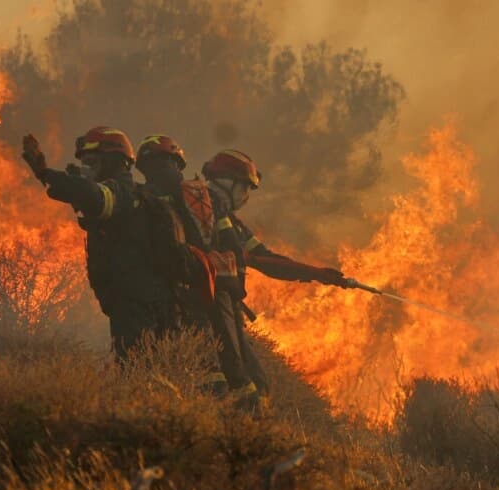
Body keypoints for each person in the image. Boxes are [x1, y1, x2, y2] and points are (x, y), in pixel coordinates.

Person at [201, 149, 361, 399]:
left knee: (257, 384)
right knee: (240, 390)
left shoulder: (231, 223)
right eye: (244, 189)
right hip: (210, 312)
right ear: (227, 182)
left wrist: (318, 274)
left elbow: (268, 259)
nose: (245, 197)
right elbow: (254, 259)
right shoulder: (209, 214)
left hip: (227, 310)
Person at [21, 127, 181, 360]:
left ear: (114, 161)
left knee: (135, 370)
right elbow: (89, 198)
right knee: (154, 370)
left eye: (92, 162)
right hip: (144, 299)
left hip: (137, 303)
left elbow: (95, 197)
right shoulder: (132, 194)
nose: (87, 169)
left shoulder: (121, 193)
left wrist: (47, 174)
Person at [134, 135, 256, 401]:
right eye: (245, 188)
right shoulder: (203, 196)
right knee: (234, 368)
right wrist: (236, 288)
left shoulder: (142, 197)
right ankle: (245, 420)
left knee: (202, 365)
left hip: (177, 294)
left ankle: (214, 414)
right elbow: (237, 249)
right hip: (216, 292)